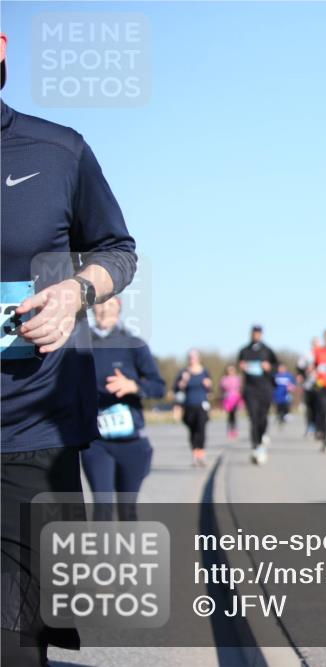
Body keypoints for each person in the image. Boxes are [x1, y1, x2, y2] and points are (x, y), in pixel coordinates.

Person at [0, 32, 138, 666]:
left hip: (32, 427)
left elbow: (118, 250)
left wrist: (74, 292)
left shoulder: (58, 150)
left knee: (18, 639)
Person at [82, 297, 165, 521]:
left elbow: (159, 387)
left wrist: (133, 386)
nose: (104, 310)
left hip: (131, 440)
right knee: (102, 506)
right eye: (99, 305)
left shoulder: (134, 344)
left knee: (127, 508)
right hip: (96, 441)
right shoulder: (81, 345)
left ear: (118, 309)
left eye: (110, 305)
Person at [237, 324, 278, 464]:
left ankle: (261, 439)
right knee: (253, 418)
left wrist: (269, 368)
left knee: (263, 418)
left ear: (261, 334)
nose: (256, 336)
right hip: (250, 389)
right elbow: (238, 366)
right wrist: (241, 367)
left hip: (265, 389)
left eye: (258, 333)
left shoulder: (267, 350)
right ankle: (255, 446)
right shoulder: (244, 350)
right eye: (254, 333)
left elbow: (277, 368)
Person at [174, 349, 212, 467]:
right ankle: (195, 453)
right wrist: (183, 381)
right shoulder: (184, 372)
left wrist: (208, 385)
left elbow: (210, 389)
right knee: (192, 430)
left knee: (201, 429)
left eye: (194, 357)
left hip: (202, 404)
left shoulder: (204, 372)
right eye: (190, 357)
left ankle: (201, 453)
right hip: (189, 405)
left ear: (198, 358)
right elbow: (176, 389)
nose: (192, 359)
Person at [219, 364, 243, 439]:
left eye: (232, 370)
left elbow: (240, 387)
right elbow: (222, 388)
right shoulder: (224, 379)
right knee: (230, 415)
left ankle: (234, 429)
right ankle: (229, 430)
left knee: (234, 415)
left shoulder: (238, 378)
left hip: (236, 398)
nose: (231, 371)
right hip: (228, 399)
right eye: (229, 370)